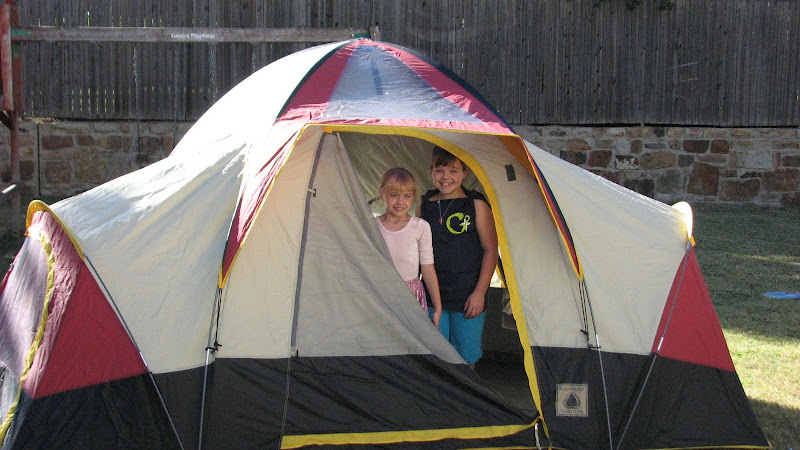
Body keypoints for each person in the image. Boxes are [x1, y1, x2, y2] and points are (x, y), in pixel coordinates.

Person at [417, 147, 498, 368]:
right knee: (437, 356)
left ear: (464, 172)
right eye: (439, 170)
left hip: (468, 296)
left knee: (466, 357)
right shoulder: (424, 205)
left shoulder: (476, 204)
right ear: (431, 171)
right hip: (433, 294)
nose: (446, 177)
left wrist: (479, 293)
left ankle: (465, 392)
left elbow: (491, 249)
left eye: (453, 171)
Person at [376, 168, 442, 328]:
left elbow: (427, 268)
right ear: (382, 194)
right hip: (380, 295)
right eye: (394, 195)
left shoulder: (420, 227)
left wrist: (437, 306)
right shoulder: (372, 226)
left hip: (410, 297)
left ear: (413, 197)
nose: (400, 202)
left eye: (406, 196)